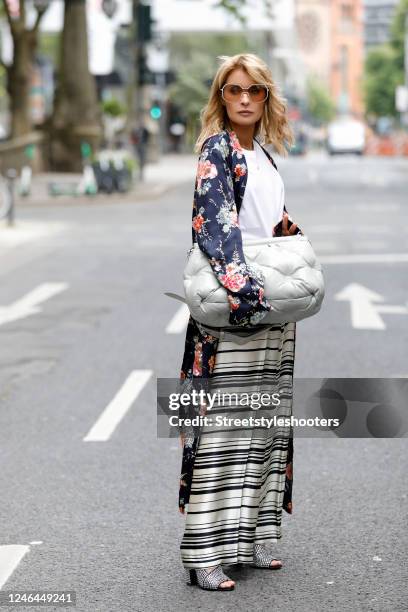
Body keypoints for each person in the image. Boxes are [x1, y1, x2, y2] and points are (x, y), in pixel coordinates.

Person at [177, 53, 302, 591]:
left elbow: (269, 225)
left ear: (266, 96)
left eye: (254, 90)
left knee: (263, 429)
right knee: (223, 429)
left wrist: (297, 256)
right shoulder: (217, 150)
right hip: (237, 309)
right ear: (221, 97)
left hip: (271, 305)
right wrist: (245, 293)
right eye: (233, 90)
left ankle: (249, 538)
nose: (245, 99)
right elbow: (215, 229)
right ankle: (204, 552)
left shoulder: (265, 156)